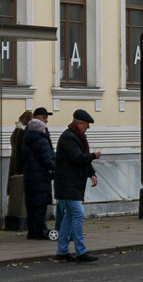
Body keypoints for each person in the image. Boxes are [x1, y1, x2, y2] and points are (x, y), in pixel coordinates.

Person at [54, 109, 101, 263]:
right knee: (78, 214)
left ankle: (62, 251)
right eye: (86, 125)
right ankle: (81, 252)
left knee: (69, 216)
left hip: (71, 183)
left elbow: (82, 160)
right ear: (80, 123)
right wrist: (93, 155)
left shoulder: (76, 137)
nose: (87, 128)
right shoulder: (69, 137)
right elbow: (78, 158)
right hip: (69, 183)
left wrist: (91, 173)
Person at [19, 117, 56, 239]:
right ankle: (40, 231)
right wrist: (56, 168)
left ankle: (32, 231)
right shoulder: (42, 141)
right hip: (40, 176)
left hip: (29, 177)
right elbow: (47, 160)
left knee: (31, 206)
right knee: (41, 205)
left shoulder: (26, 141)